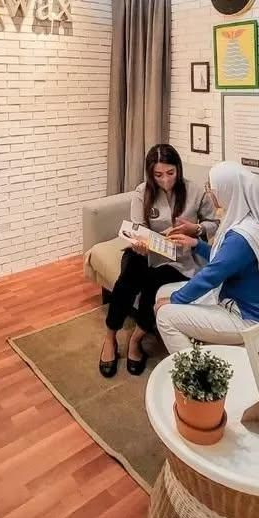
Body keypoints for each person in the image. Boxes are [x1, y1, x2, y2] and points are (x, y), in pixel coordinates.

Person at [99, 144, 218, 378]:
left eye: (170, 173)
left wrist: (195, 229)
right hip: (146, 253)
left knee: (153, 286)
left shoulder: (195, 192)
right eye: (158, 175)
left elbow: (213, 223)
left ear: (178, 169)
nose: (165, 180)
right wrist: (140, 243)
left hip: (180, 258)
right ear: (151, 174)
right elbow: (138, 227)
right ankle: (110, 337)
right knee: (128, 278)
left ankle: (136, 340)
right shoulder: (142, 192)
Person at [153, 162, 259, 354]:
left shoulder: (241, 237)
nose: (209, 192)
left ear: (226, 190)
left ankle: (194, 371)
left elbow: (211, 275)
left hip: (248, 319)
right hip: (234, 301)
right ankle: (198, 348)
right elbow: (224, 261)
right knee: (162, 292)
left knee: (165, 315)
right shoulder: (244, 220)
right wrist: (196, 244)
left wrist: (175, 300)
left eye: (211, 187)